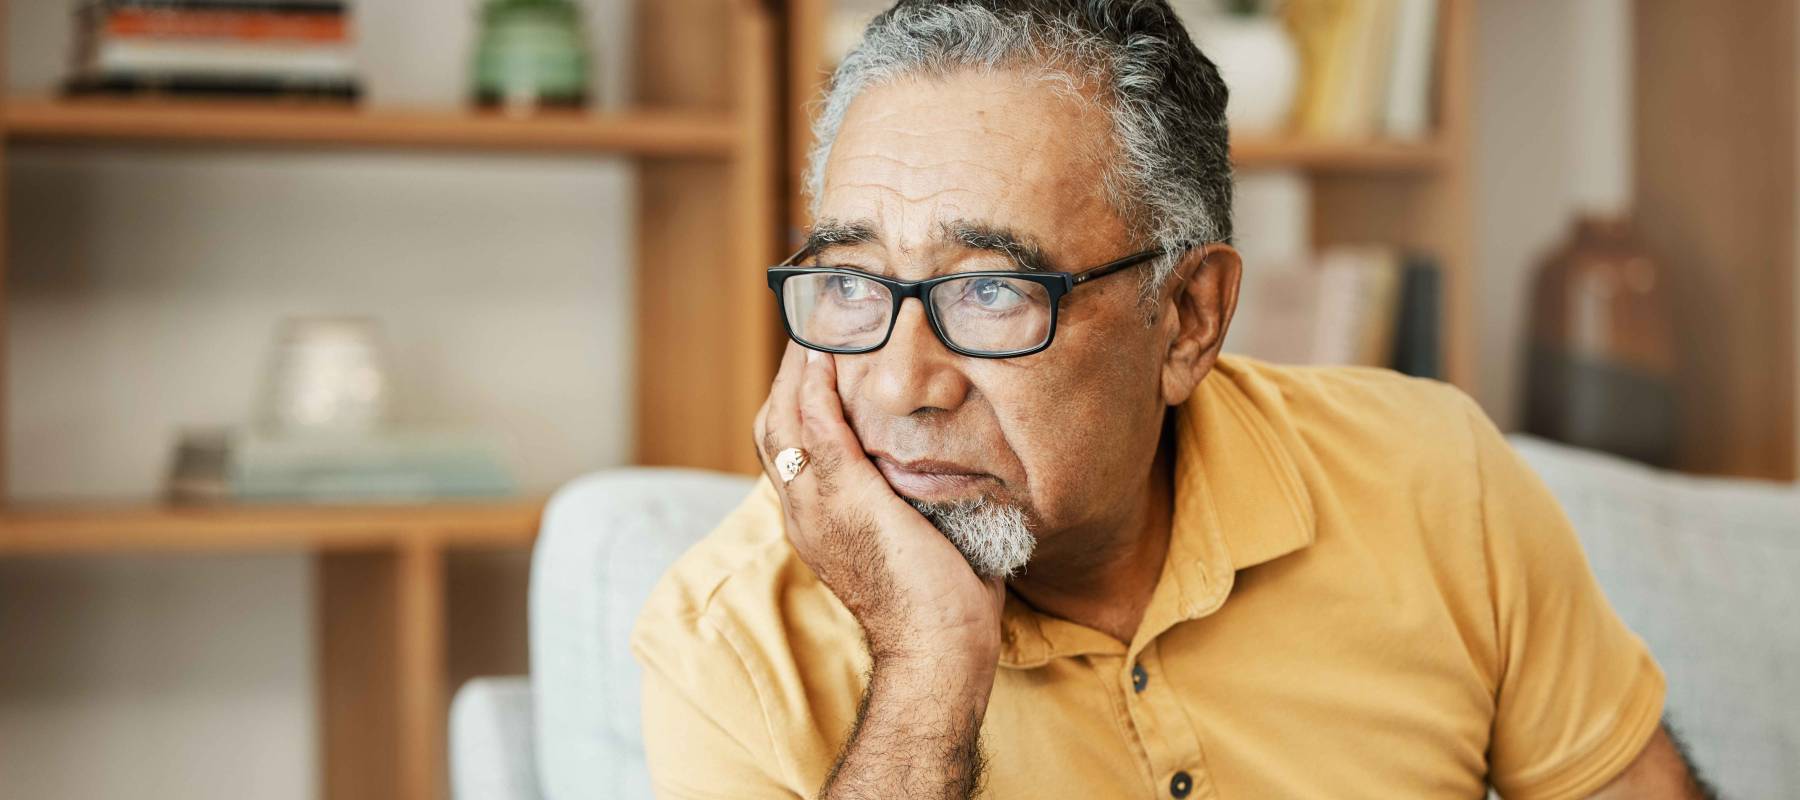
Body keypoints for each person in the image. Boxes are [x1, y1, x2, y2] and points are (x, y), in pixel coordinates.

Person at [633, 1, 1712, 797]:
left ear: (1188, 316)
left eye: (993, 287)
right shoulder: (726, 638)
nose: (903, 381)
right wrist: (924, 668)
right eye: (854, 281)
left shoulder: (1434, 475)